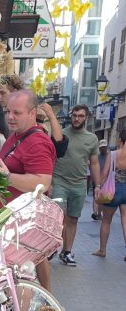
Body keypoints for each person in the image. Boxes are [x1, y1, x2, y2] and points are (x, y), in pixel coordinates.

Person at [0, 89, 55, 291]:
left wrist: (7, 178)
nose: (10, 117)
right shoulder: (17, 135)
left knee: (24, 274)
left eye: (17, 113)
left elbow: (42, 182)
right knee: (31, 263)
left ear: (32, 113)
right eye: (8, 111)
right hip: (16, 220)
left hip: (24, 223)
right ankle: (42, 304)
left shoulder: (37, 142)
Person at [50, 104, 100, 266]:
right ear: (71, 116)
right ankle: (52, 249)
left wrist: (97, 185)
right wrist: (49, 181)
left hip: (79, 184)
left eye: (81, 116)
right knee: (59, 217)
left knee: (73, 219)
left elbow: (94, 164)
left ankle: (67, 252)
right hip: (59, 181)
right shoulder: (61, 134)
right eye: (74, 115)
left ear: (86, 118)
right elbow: (50, 158)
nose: (77, 118)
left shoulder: (92, 139)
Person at [93, 132, 126, 258]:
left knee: (106, 221)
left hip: (113, 190)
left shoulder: (112, 155)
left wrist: (98, 188)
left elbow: (104, 174)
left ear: (120, 140)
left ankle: (102, 250)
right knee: (125, 220)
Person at [93, 139, 109, 220]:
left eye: (104, 147)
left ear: (107, 147)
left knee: (102, 199)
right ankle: (95, 213)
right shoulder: (97, 157)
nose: (103, 149)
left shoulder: (109, 156)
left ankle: (99, 213)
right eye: (101, 147)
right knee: (96, 197)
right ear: (99, 148)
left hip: (106, 180)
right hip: (97, 179)